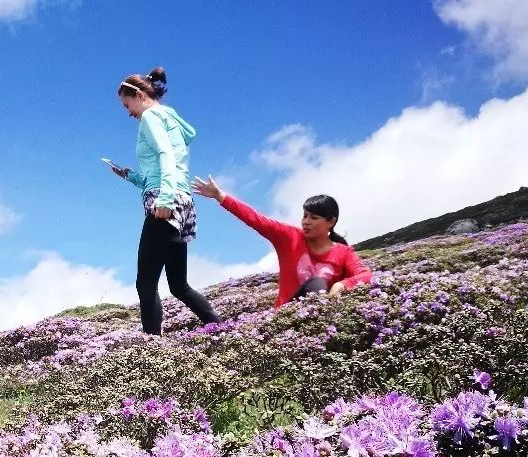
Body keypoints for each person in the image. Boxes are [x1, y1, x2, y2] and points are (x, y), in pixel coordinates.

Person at [109, 67, 222, 335]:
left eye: (127, 105)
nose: (129, 112)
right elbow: (160, 168)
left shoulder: (151, 117)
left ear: (138, 94)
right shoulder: (170, 119)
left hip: (166, 200)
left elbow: (164, 155)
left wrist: (165, 197)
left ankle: (152, 349)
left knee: (145, 283)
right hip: (182, 202)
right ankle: (221, 327)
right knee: (178, 285)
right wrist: (131, 177)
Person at [191, 176, 372, 306]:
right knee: (317, 283)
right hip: (288, 314)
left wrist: (343, 284)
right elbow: (256, 219)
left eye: (314, 217)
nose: (306, 221)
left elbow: (365, 275)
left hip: (323, 315)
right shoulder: (289, 236)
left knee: (319, 284)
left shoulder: (343, 252)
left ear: (331, 222)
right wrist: (220, 196)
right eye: (305, 216)